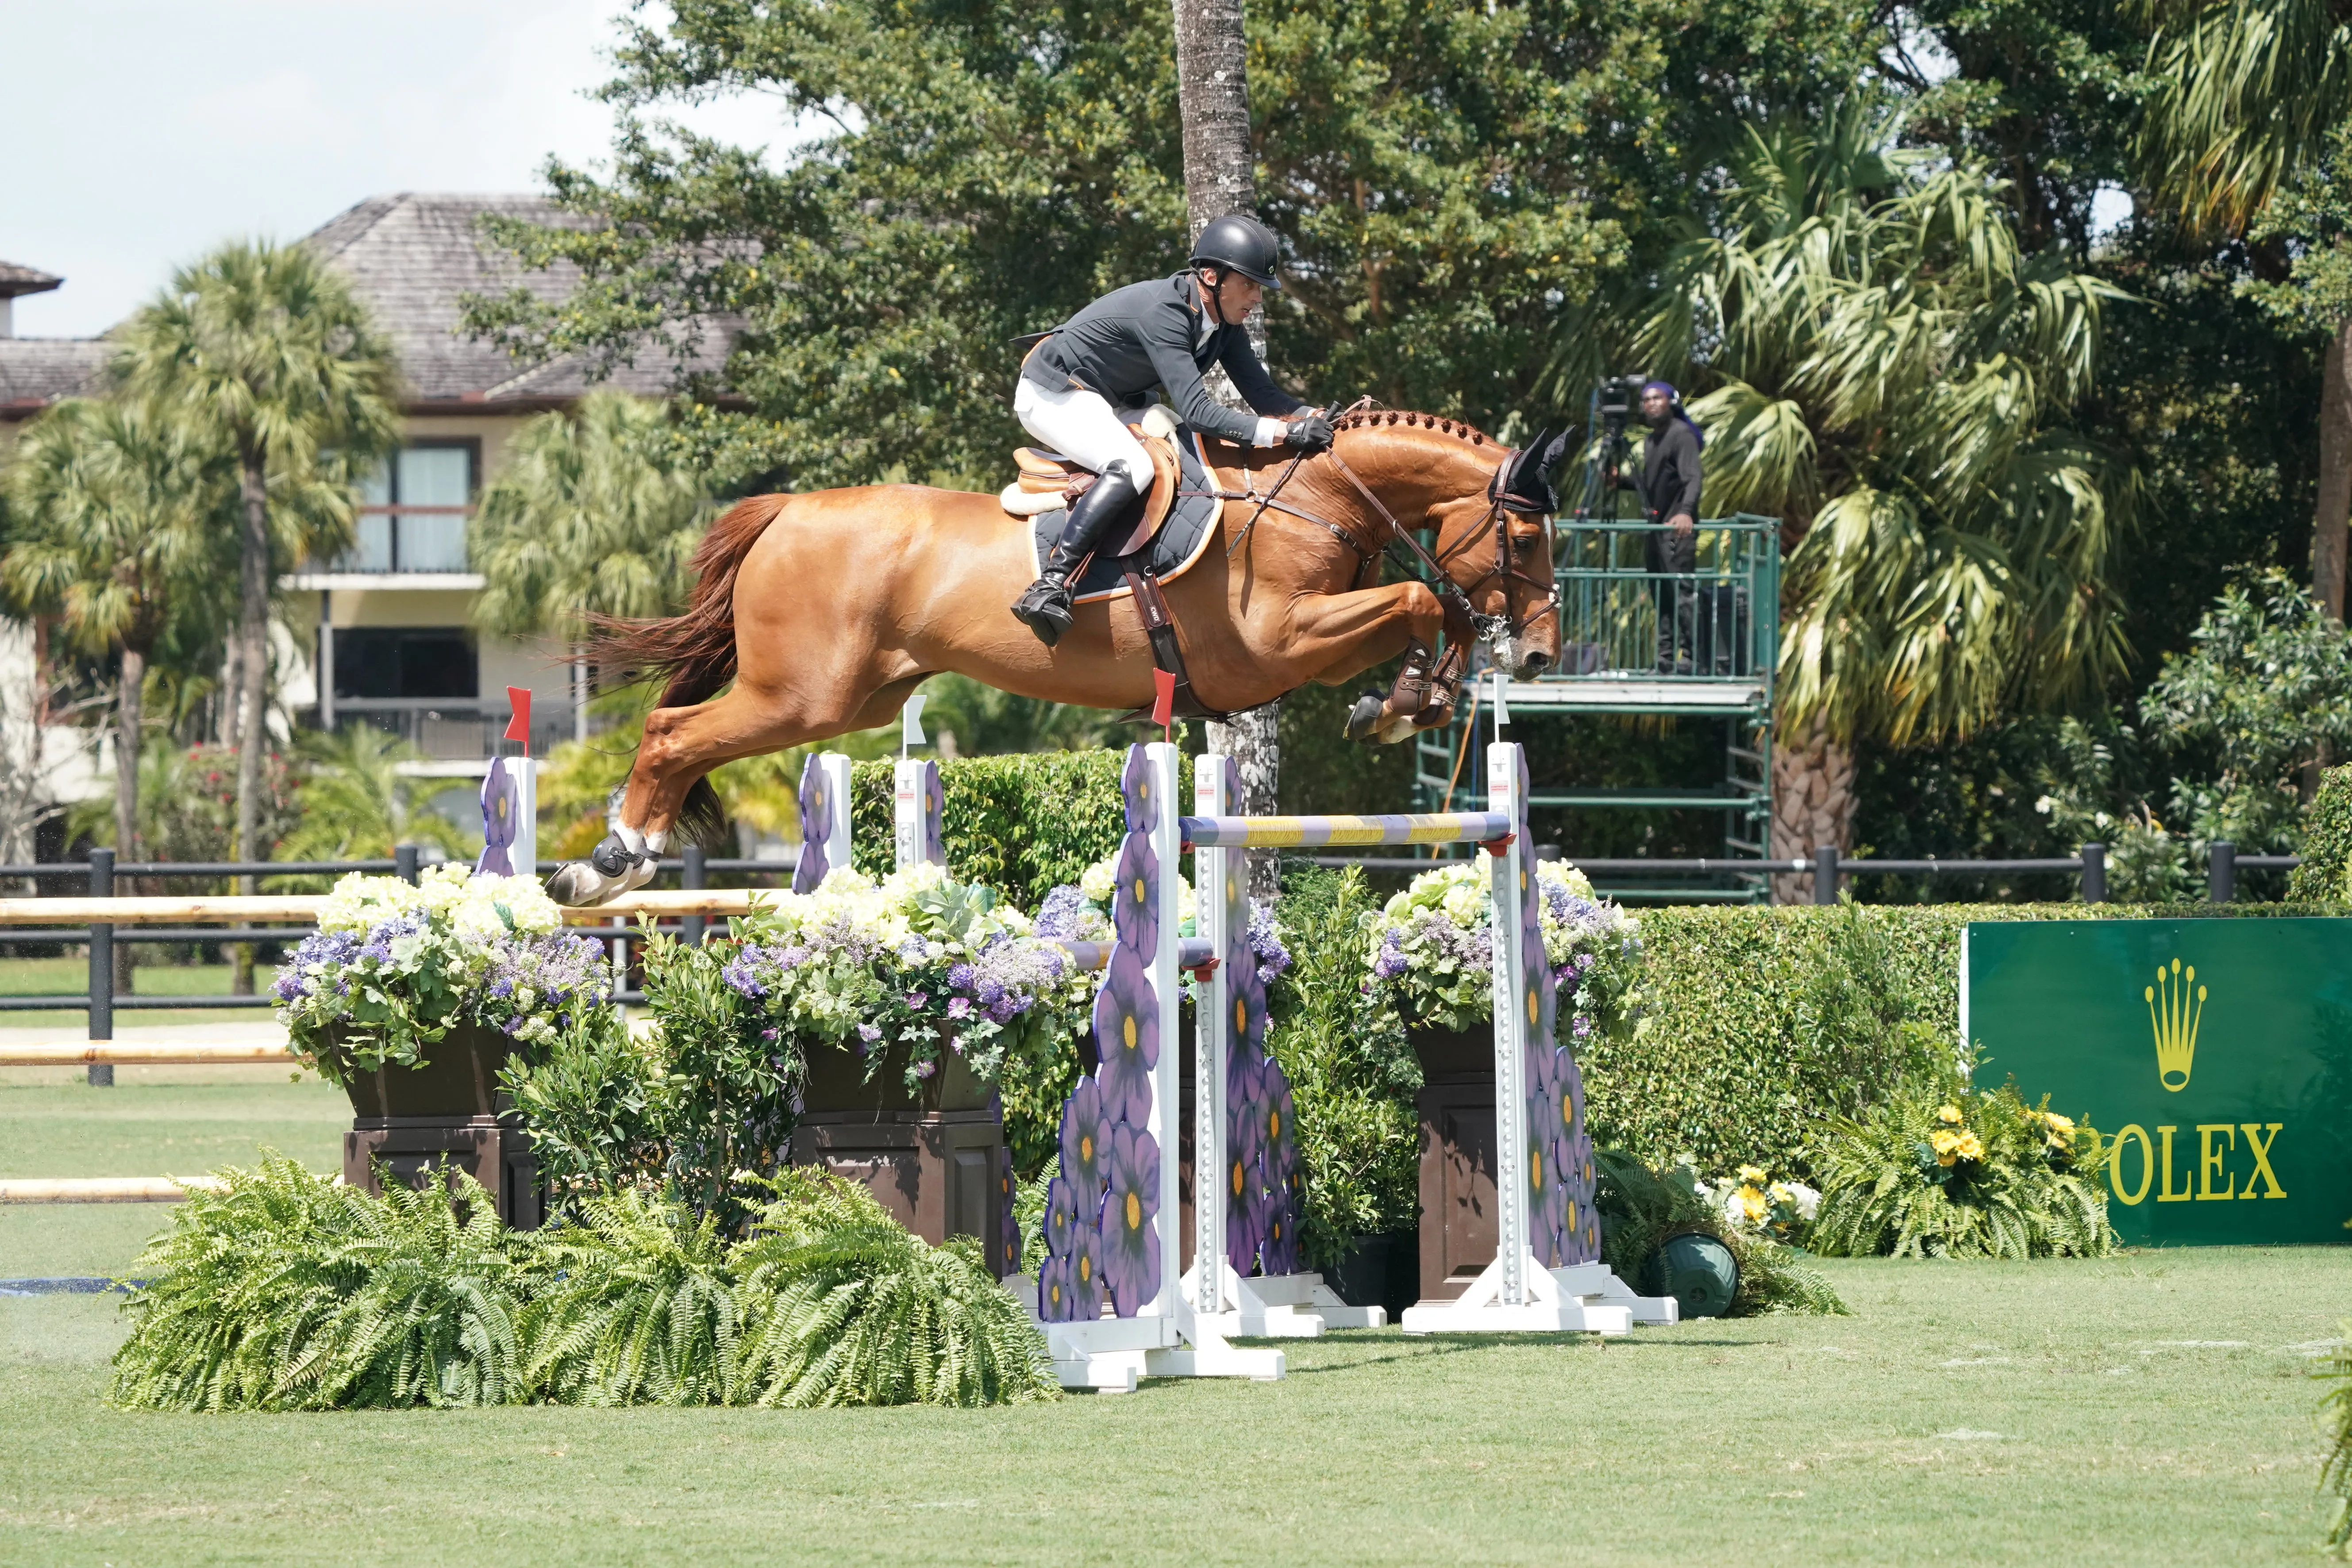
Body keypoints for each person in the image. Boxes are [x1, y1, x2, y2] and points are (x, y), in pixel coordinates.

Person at [1009, 213, 1334, 645]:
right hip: (1054, 391)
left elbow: (1265, 397)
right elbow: (1199, 411)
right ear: (1210, 276)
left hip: (1112, 399)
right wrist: (1286, 435)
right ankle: (1051, 583)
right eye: (1250, 284)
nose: (1257, 297)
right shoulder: (1165, 312)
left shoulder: (1222, 323)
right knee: (1132, 467)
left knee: (1178, 448)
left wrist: (1317, 418)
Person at [1636, 379, 1703, 671]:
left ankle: (1693, 658)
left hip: (1677, 530)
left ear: (1671, 401)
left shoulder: (1681, 435)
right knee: (1661, 594)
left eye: (1657, 398)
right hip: (1655, 531)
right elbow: (1652, 485)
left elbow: (1693, 477)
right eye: (1646, 399)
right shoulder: (1652, 440)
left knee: (1681, 593)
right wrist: (1621, 481)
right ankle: (1665, 659)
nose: (1651, 403)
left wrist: (1686, 512)